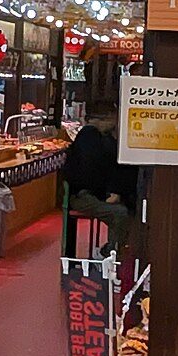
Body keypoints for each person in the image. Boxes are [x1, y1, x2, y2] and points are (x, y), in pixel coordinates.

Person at [63, 101, 138, 248]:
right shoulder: (90, 137)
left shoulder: (96, 137)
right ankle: (112, 252)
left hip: (90, 193)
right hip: (84, 196)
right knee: (120, 213)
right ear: (106, 118)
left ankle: (114, 250)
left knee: (124, 211)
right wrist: (107, 193)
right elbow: (92, 171)